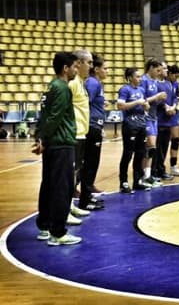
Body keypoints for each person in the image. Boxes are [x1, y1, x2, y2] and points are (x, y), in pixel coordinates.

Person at [32, 52, 82, 246]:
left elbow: (44, 115)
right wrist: (43, 138)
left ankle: (44, 226)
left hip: (52, 143)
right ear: (65, 68)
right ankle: (58, 233)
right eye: (75, 67)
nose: (76, 71)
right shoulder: (62, 88)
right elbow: (54, 117)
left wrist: (40, 138)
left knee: (49, 185)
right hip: (61, 143)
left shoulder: (51, 87)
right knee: (63, 187)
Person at [78, 53, 108, 211]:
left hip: (96, 126)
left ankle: (87, 195)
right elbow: (85, 104)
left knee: (92, 164)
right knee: (89, 164)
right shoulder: (92, 83)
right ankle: (84, 199)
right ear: (96, 69)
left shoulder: (96, 83)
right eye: (105, 68)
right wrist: (93, 126)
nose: (107, 71)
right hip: (91, 127)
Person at [68, 49, 93, 223]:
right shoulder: (72, 83)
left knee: (76, 172)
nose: (91, 66)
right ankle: (64, 210)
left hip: (81, 133)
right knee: (70, 173)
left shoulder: (81, 82)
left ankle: (69, 205)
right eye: (89, 62)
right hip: (74, 133)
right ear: (78, 63)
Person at [117, 68, 150, 193]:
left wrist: (146, 105)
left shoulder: (141, 90)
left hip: (141, 125)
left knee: (140, 154)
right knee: (128, 154)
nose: (140, 79)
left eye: (140, 76)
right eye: (137, 76)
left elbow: (146, 104)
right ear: (130, 77)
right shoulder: (125, 89)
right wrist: (137, 102)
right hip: (130, 126)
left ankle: (137, 181)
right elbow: (120, 105)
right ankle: (123, 182)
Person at [140, 59, 168, 186]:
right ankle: (142, 176)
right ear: (150, 68)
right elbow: (141, 99)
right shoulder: (144, 81)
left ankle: (148, 175)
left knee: (152, 148)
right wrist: (156, 97)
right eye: (157, 70)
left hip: (154, 117)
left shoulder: (154, 82)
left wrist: (163, 101)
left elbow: (154, 101)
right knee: (149, 147)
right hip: (145, 117)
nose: (159, 73)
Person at [155, 63, 179, 180]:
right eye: (164, 68)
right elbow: (155, 99)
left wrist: (173, 107)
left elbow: (174, 97)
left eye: (166, 68)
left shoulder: (169, 84)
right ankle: (156, 170)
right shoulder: (155, 84)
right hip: (159, 120)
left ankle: (161, 169)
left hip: (168, 120)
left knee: (164, 146)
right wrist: (165, 107)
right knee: (158, 148)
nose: (166, 70)